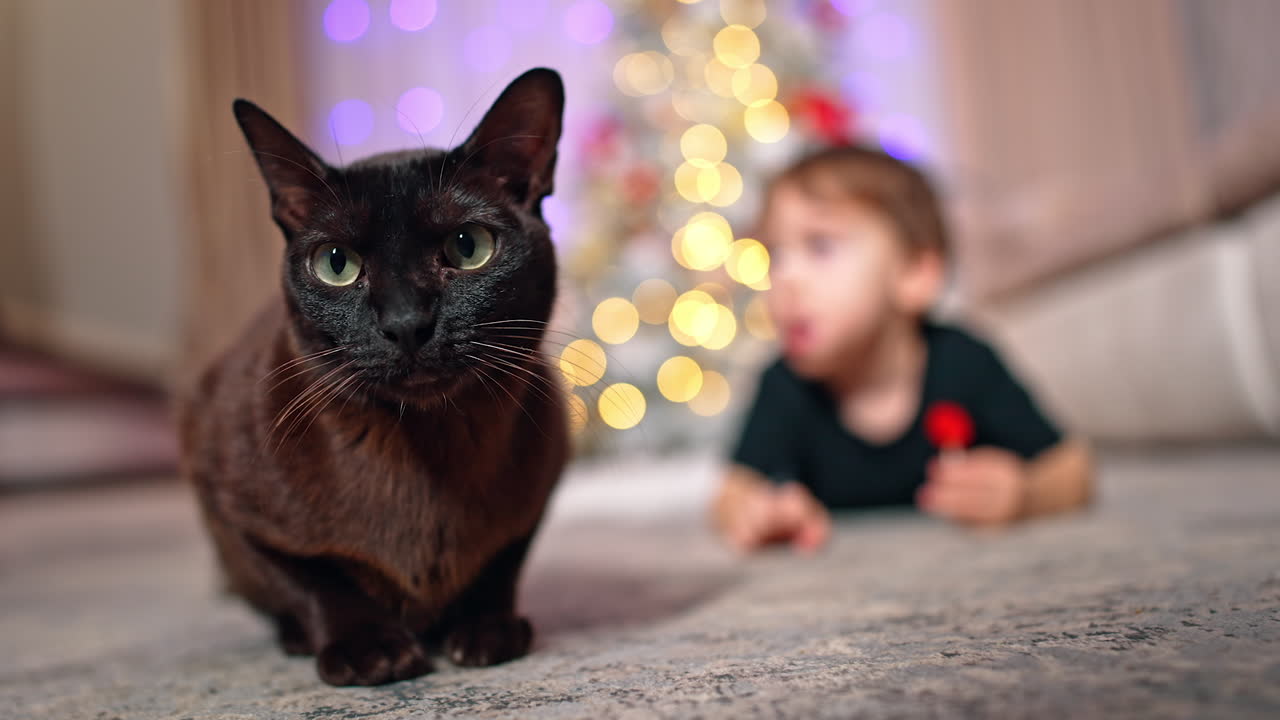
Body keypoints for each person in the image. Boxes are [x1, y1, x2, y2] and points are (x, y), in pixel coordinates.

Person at [714, 147, 1094, 553]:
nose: (784, 278)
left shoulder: (963, 360)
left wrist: (1025, 496)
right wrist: (758, 513)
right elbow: (732, 491)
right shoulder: (785, 382)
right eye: (774, 255)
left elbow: (1073, 468)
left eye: (820, 246)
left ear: (914, 273)